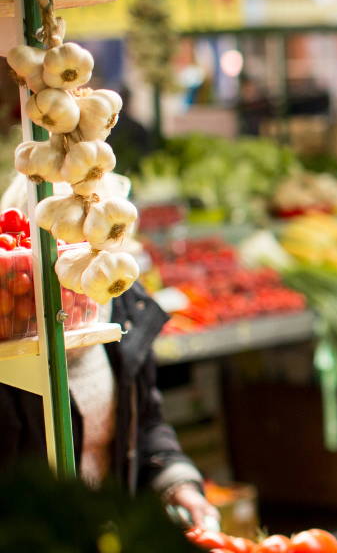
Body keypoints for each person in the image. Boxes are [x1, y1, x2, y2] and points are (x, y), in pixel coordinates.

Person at [0, 174, 218, 530]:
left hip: (112, 540)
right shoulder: (9, 321)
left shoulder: (122, 306)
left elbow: (145, 422)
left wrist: (176, 481)